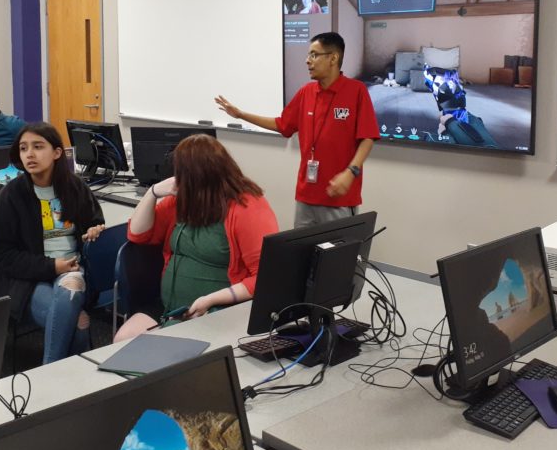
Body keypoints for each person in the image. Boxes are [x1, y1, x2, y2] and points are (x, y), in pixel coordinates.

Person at [113, 133, 278, 342]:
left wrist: (210, 299)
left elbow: (264, 277)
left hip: (217, 310)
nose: (177, 179)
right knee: (122, 342)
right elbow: (137, 234)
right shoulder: (183, 200)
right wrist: (152, 193)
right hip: (170, 307)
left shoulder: (246, 206)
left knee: (159, 355)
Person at [216, 32, 378, 228]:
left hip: (339, 197)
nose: (307, 61)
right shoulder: (306, 92)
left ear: (333, 58)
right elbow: (281, 124)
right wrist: (241, 114)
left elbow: (367, 137)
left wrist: (351, 172)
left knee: (337, 256)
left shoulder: (356, 91)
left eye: (314, 55)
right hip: (305, 196)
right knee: (301, 255)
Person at [0, 122, 106, 364]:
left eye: (38, 146)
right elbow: (2, 255)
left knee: (71, 287)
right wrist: (52, 267)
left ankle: (50, 378)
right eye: (23, 148)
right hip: (27, 282)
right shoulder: (11, 195)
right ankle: (60, 378)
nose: (29, 154)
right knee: (79, 322)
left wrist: (94, 231)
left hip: (74, 271)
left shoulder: (75, 187)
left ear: (56, 153)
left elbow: (94, 224)